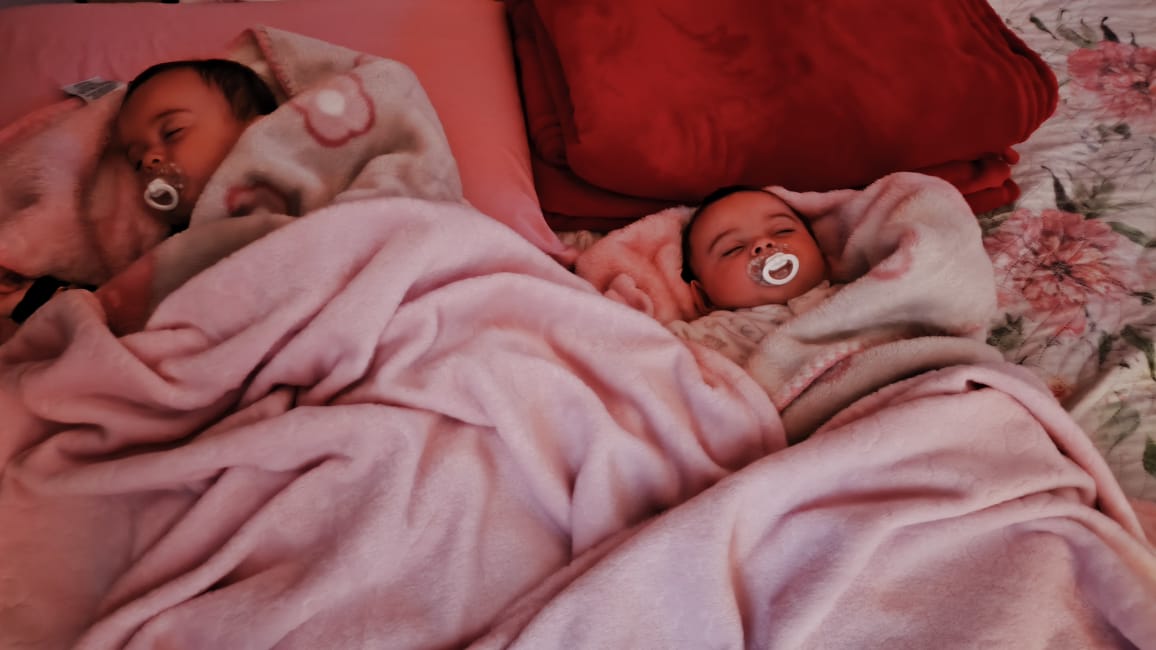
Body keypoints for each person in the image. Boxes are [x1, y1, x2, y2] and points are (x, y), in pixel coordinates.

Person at [671, 185, 835, 363]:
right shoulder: (702, 336)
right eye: (733, 249)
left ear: (823, 256)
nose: (763, 243)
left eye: (783, 230)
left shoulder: (851, 293)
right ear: (705, 297)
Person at [114, 58, 278, 227]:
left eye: (172, 132)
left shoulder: (284, 162)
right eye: (137, 162)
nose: (148, 160)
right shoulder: (184, 239)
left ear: (253, 128)